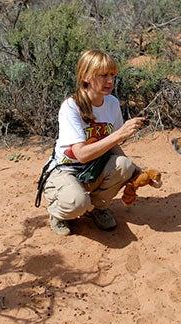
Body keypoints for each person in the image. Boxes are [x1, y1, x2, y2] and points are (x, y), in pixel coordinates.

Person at [37, 49, 146, 236]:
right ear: (86, 77)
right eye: (103, 75)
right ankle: (58, 213)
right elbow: (81, 154)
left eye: (112, 75)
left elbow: (111, 145)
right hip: (67, 168)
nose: (110, 81)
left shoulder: (111, 103)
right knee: (77, 203)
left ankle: (98, 207)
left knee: (125, 165)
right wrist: (119, 134)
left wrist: (135, 173)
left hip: (95, 167)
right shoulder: (71, 106)